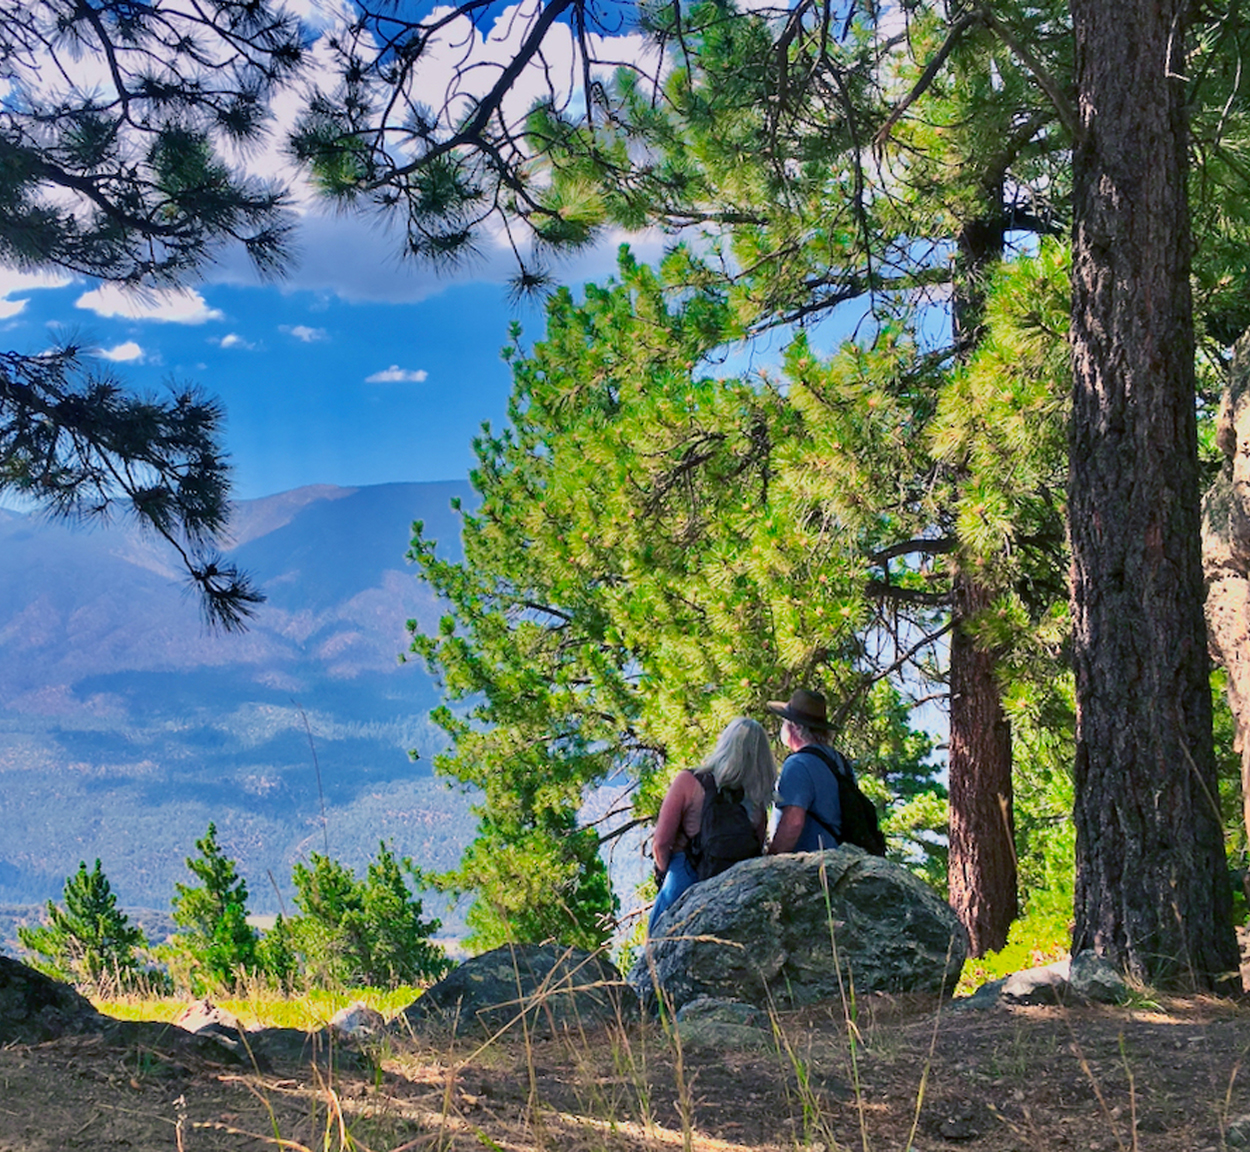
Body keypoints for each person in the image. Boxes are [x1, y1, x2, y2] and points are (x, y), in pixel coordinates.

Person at [649, 717, 776, 934]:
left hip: (685, 875)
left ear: (724, 744)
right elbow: (757, 844)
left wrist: (662, 875)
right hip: (734, 887)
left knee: (657, 944)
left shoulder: (689, 781)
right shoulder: (756, 799)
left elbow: (661, 843)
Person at [766, 688, 847, 854]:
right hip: (841, 858)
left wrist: (771, 860)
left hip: (812, 862)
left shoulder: (797, 764)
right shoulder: (840, 762)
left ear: (795, 727)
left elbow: (793, 822)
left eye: (785, 721)